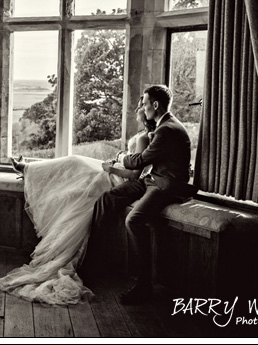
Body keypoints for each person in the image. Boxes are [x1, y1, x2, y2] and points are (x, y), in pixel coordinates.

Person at [0, 100, 156, 306]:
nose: (137, 108)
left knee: (75, 165)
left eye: (142, 106)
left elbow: (134, 175)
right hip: (113, 173)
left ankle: (27, 169)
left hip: (116, 179)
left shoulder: (143, 138)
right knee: (74, 164)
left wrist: (111, 169)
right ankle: (29, 169)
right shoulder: (144, 135)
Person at [83, 84, 196, 305]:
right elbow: (145, 163)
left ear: (155, 105)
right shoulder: (163, 126)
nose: (143, 109)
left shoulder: (167, 129)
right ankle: (94, 257)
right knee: (109, 198)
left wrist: (121, 157)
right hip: (153, 179)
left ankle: (144, 283)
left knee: (133, 220)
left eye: (145, 104)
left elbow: (141, 160)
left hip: (167, 186)